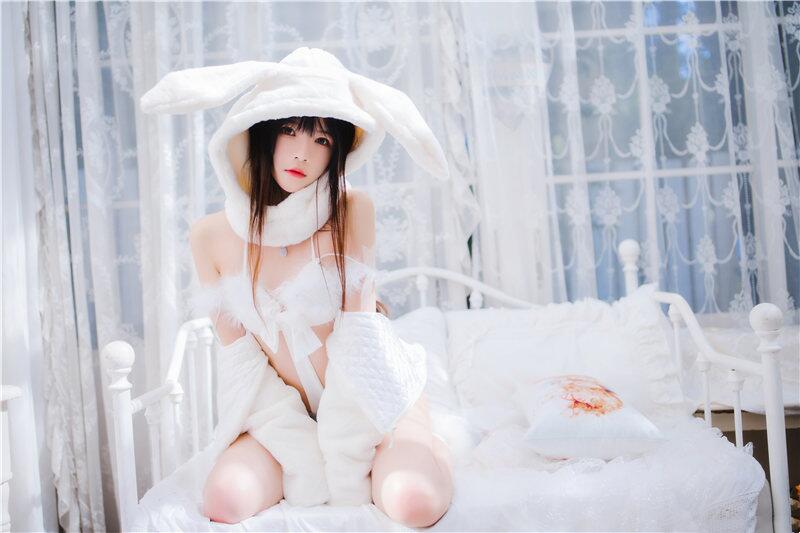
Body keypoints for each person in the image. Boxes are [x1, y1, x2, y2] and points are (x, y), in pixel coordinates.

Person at [136, 47, 454, 529]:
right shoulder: (210, 236)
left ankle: (431, 444)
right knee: (224, 501)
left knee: (414, 502)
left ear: (338, 152)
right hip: (282, 415)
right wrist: (303, 453)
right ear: (260, 132)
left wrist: (342, 467)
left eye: (322, 139)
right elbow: (242, 360)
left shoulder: (351, 210)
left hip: (369, 394)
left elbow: (361, 341)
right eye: (289, 130)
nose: (303, 153)